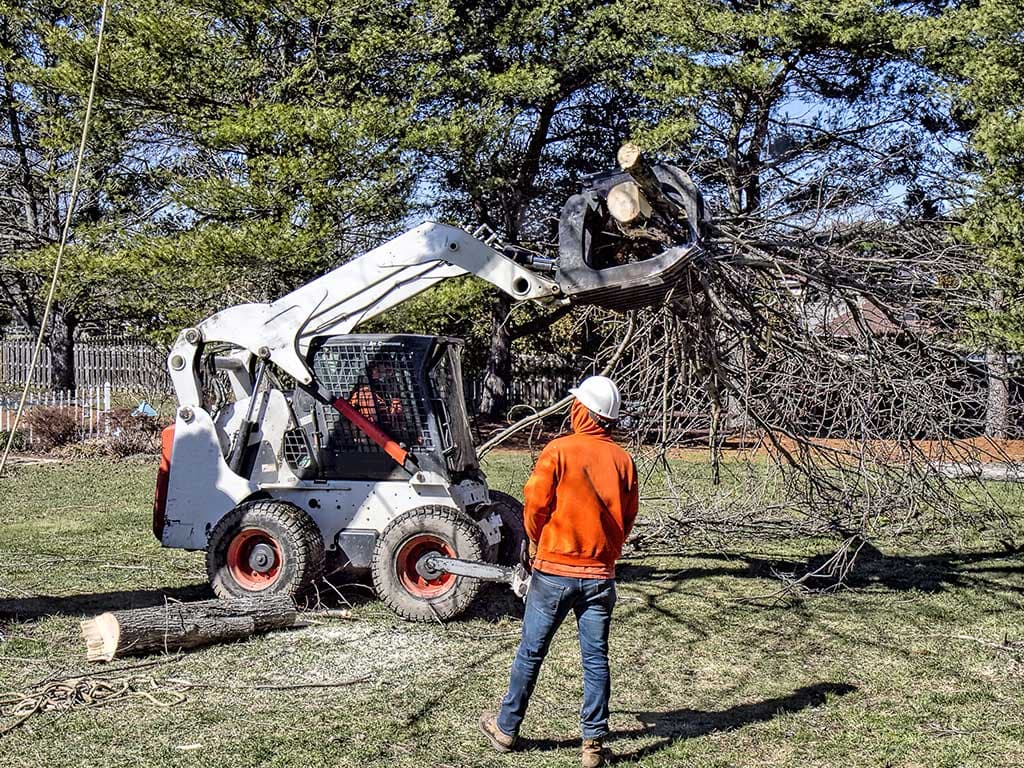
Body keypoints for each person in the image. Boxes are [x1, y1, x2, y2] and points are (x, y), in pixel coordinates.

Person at [479, 375, 639, 768]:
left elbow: (534, 506)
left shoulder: (559, 451)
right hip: (600, 576)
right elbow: (627, 517)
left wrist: (535, 542)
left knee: (531, 652)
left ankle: (506, 727)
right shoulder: (623, 460)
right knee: (595, 658)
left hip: (553, 571)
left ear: (584, 411)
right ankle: (593, 745)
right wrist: (607, 555)